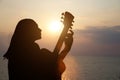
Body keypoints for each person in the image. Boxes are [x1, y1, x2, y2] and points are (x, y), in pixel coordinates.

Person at [3, 18, 73, 80]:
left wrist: (66, 48)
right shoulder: (32, 54)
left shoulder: (17, 55)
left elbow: (53, 63)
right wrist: (67, 47)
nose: (40, 29)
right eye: (36, 27)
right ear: (28, 32)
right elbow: (54, 65)